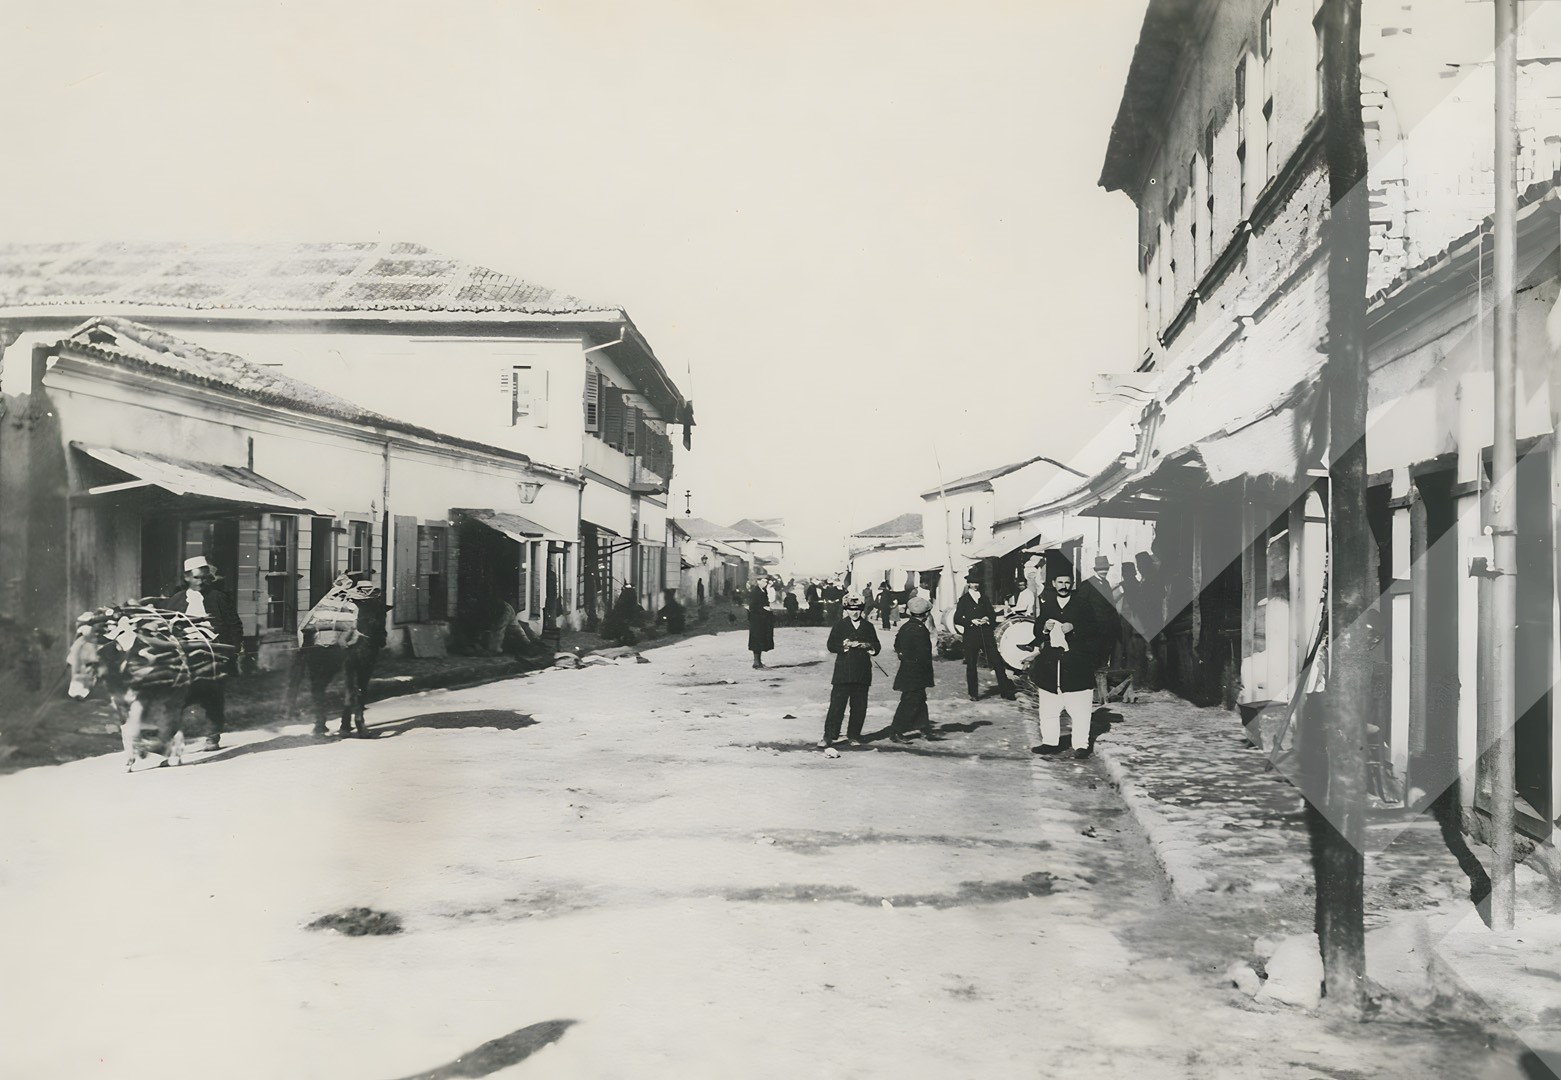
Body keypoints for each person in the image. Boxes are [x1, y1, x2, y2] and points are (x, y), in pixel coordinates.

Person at [1020, 562, 1110, 759]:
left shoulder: (1082, 605)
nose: (1063, 586)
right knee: (1049, 709)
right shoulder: (1048, 605)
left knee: (1080, 709)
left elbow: (1095, 630)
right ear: (1054, 583)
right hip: (1051, 666)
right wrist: (1044, 629)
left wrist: (1075, 628)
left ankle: (1080, 745)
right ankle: (1050, 742)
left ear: (1072, 584)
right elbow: (1037, 631)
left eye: (1067, 583)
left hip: (1076, 664)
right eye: (1060, 582)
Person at [158, 555, 244, 752]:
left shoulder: (219, 598)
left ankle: (212, 735)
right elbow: (165, 627)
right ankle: (172, 738)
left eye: (205, 578)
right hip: (184, 652)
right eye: (197, 578)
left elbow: (234, 625)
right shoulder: (176, 600)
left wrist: (233, 650)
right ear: (187, 577)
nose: (201, 582)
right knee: (177, 695)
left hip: (213, 651)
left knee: (213, 694)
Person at [821, 595, 880, 747]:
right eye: (851, 609)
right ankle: (829, 736)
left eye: (858, 609)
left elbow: (877, 645)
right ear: (846, 610)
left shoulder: (868, 626)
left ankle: (854, 735)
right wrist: (844, 646)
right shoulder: (840, 625)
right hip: (843, 671)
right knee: (837, 705)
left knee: (859, 706)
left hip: (862, 671)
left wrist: (867, 645)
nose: (854, 613)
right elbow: (831, 645)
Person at [953, 574, 1015, 701]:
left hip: (986, 634)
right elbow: (957, 619)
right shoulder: (963, 600)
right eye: (972, 583)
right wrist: (971, 621)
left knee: (997, 662)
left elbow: (992, 614)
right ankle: (973, 694)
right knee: (971, 665)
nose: (975, 585)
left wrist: (987, 618)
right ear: (968, 584)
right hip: (971, 636)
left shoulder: (984, 598)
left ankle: (1005, 691)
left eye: (977, 583)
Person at [889, 595, 935, 742]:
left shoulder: (906, 627)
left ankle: (924, 728)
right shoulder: (920, 629)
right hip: (916, 672)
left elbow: (897, 646)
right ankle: (896, 731)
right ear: (926, 614)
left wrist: (903, 656)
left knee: (919, 699)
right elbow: (922, 653)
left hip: (909, 670)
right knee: (910, 702)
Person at [747, 583, 775, 668]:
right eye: (764, 581)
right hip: (756, 620)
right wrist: (763, 609)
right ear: (758, 581)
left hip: (761, 620)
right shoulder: (755, 591)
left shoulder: (763, 590)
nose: (766, 583)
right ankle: (756, 662)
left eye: (767, 582)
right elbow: (752, 607)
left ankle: (758, 661)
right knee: (756, 640)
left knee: (761, 640)